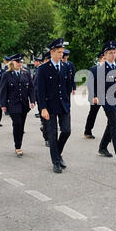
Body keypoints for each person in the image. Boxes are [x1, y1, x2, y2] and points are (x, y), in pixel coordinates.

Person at [36, 38, 72, 173]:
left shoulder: (65, 67)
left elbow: (67, 87)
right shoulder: (43, 69)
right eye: (58, 52)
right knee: (52, 134)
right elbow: (40, 91)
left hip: (63, 105)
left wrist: (68, 103)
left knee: (67, 131)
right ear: (52, 52)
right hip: (49, 106)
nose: (61, 55)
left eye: (62, 52)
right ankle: (56, 162)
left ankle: (57, 153)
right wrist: (43, 108)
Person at [0, 53, 35, 157]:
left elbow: (31, 88)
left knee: (21, 125)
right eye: (17, 62)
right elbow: (3, 90)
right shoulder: (6, 74)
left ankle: (19, 143)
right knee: (17, 124)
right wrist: (3, 104)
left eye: (21, 62)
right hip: (13, 104)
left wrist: (32, 100)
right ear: (12, 63)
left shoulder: (26, 73)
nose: (19, 64)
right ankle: (18, 146)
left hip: (23, 104)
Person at [84, 50, 105, 139]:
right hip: (96, 97)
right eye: (104, 58)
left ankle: (114, 134)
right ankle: (87, 131)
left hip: (107, 97)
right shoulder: (93, 69)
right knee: (93, 114)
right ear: (100, 59)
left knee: (112, 116)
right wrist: (93, 96)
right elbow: (90, 84)